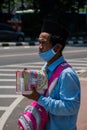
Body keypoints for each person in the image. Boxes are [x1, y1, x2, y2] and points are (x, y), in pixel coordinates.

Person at [23, 20, 81, 130]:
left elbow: (70, 107)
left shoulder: (67, 74)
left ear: (57, 48)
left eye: (44, 43)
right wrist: (30, 84)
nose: (40, 47)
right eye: (39, 42)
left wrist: (38, 98)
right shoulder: (44, 68)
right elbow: (42, 95)